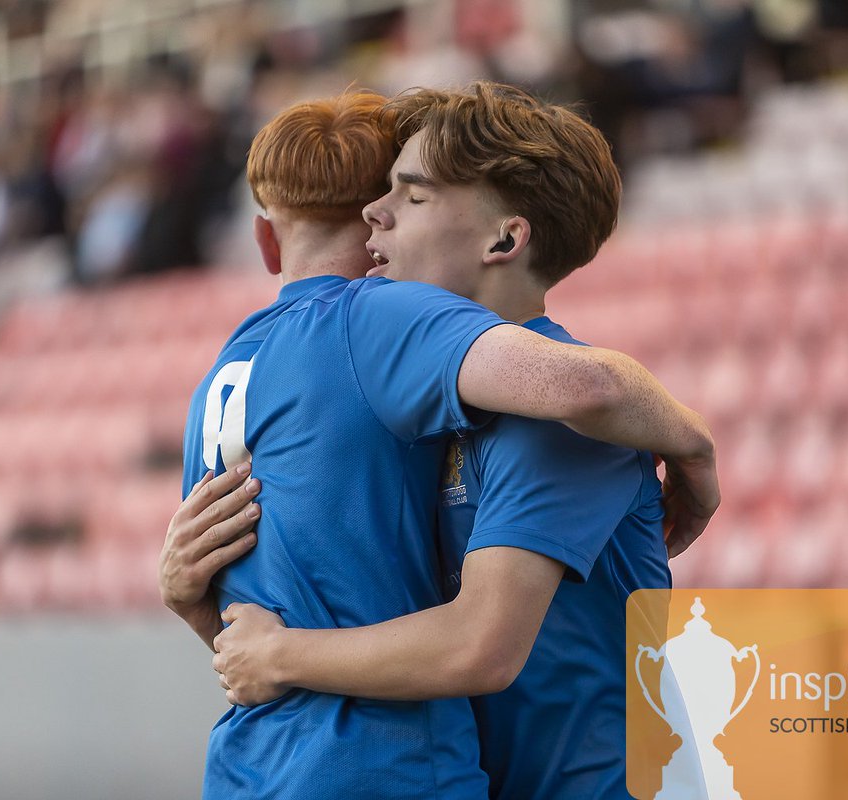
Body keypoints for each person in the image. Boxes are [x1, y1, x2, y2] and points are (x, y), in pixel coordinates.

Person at [166, 87, 716, 800]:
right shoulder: (429, 407)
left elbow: (479, 647)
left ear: (503, 240)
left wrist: (283, 653)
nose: (374, 212)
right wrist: (195, 599)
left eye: (412, 195)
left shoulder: (562, 423)